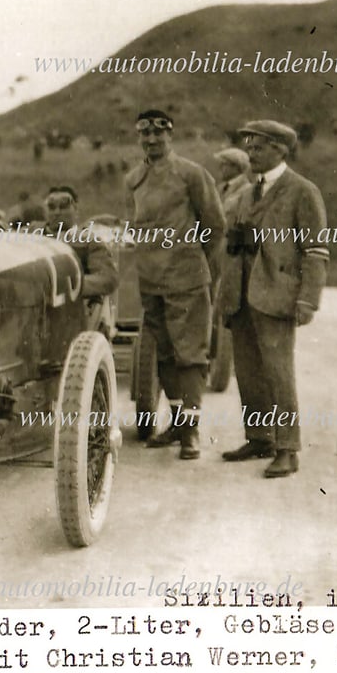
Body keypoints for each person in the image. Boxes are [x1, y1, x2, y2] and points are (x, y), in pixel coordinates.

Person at [219, 120, 328, 478]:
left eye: (259, 147)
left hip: (277, 295)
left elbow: (315, 251)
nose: (251, 153)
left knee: (279, 373)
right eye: (248, 147)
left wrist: (308, 300)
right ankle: (260, 437)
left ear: (280, 149)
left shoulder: (302, 191)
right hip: (241, 295)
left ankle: (288, 449)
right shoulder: (248, 192)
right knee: (248, 370)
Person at [124, 109, 225, 459]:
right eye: (145, 134)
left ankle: (191, 432)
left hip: (186, 277)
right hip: (151, 280)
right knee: (164, 353)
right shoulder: (134, 178)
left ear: (170, 136)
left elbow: (214, 224)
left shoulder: (191, 174)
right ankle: (179, 422)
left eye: (159, 134)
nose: (151, 140)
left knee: (190, 353)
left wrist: (198, 266)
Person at [41, 185, 119, 300]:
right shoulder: (32, 240)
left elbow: (107, 279)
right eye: (51, 207)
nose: (57, 212)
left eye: (64, 207)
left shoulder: (90, 242)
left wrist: (72, 284)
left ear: (76, 210)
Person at [214, 147, 251, 216]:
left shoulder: (247, 190)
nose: (220, 167)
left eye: (223, 164)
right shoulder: (220, 187)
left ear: (236, 166)